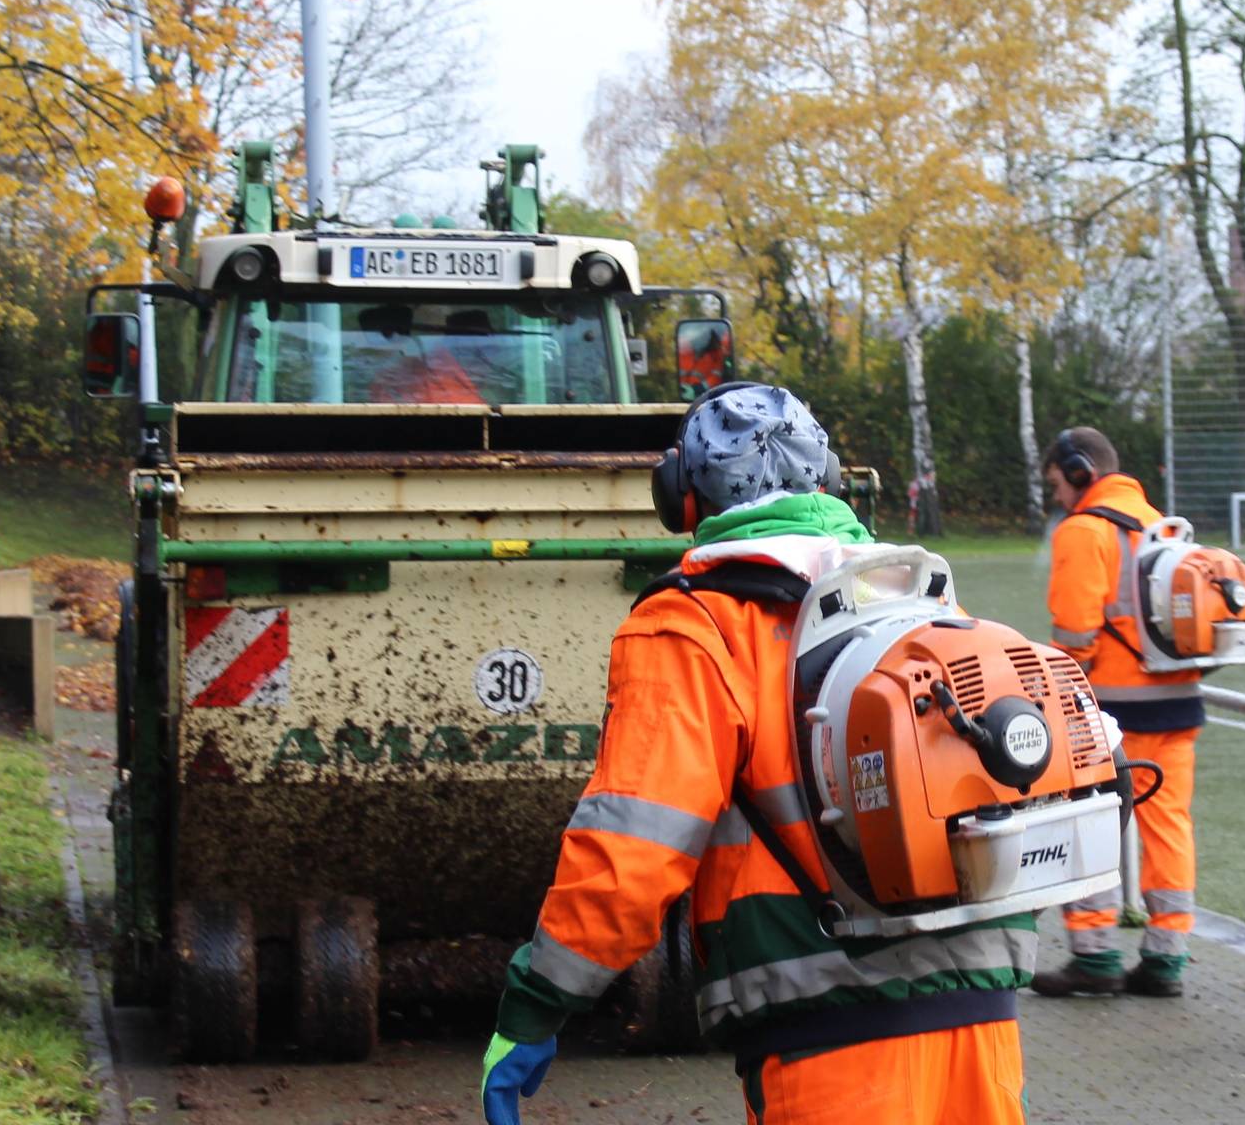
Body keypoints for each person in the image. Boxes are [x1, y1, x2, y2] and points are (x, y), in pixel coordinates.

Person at [482, 384, 1031, 1125]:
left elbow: (633, 849)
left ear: (682, 497)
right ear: (827, 480)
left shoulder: (693, 625)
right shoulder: (926, 600)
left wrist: (538, 999)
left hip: (826, 1034)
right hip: (983, 1018)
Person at [1026, 427, 1201, 999]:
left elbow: (1075, 632)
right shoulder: (1162, 524)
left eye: (1057, 483)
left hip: (1108, 712)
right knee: (1169, 826)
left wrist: (1050, 689)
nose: (1057, 495)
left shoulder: (1084, 530)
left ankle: (1095, 955)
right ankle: (1166, 959)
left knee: (1088, 824)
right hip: (1176, 704)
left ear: (1081, 472)